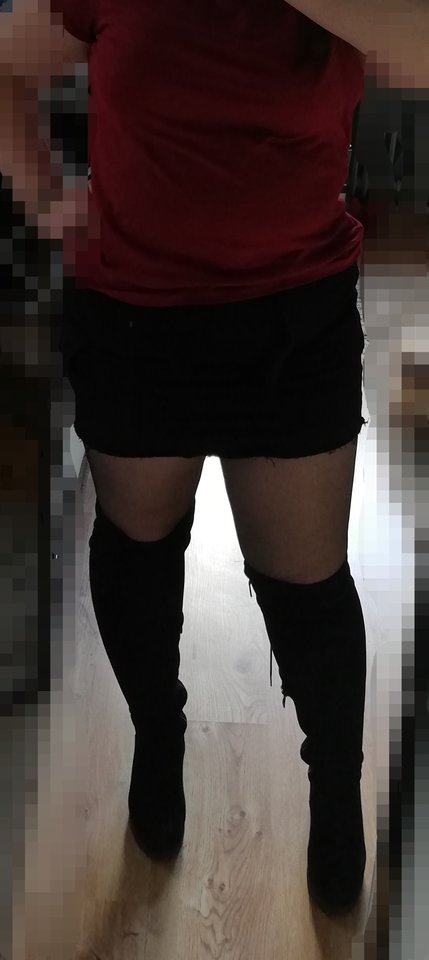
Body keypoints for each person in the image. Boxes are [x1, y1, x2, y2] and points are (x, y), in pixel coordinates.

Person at [2, 0, 374, 919]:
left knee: (307, 590)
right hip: (136, 322)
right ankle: (157, 736)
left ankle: (334, 784)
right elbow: (4, 70)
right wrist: (48, 197)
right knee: (138, 548)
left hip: (293, 326)